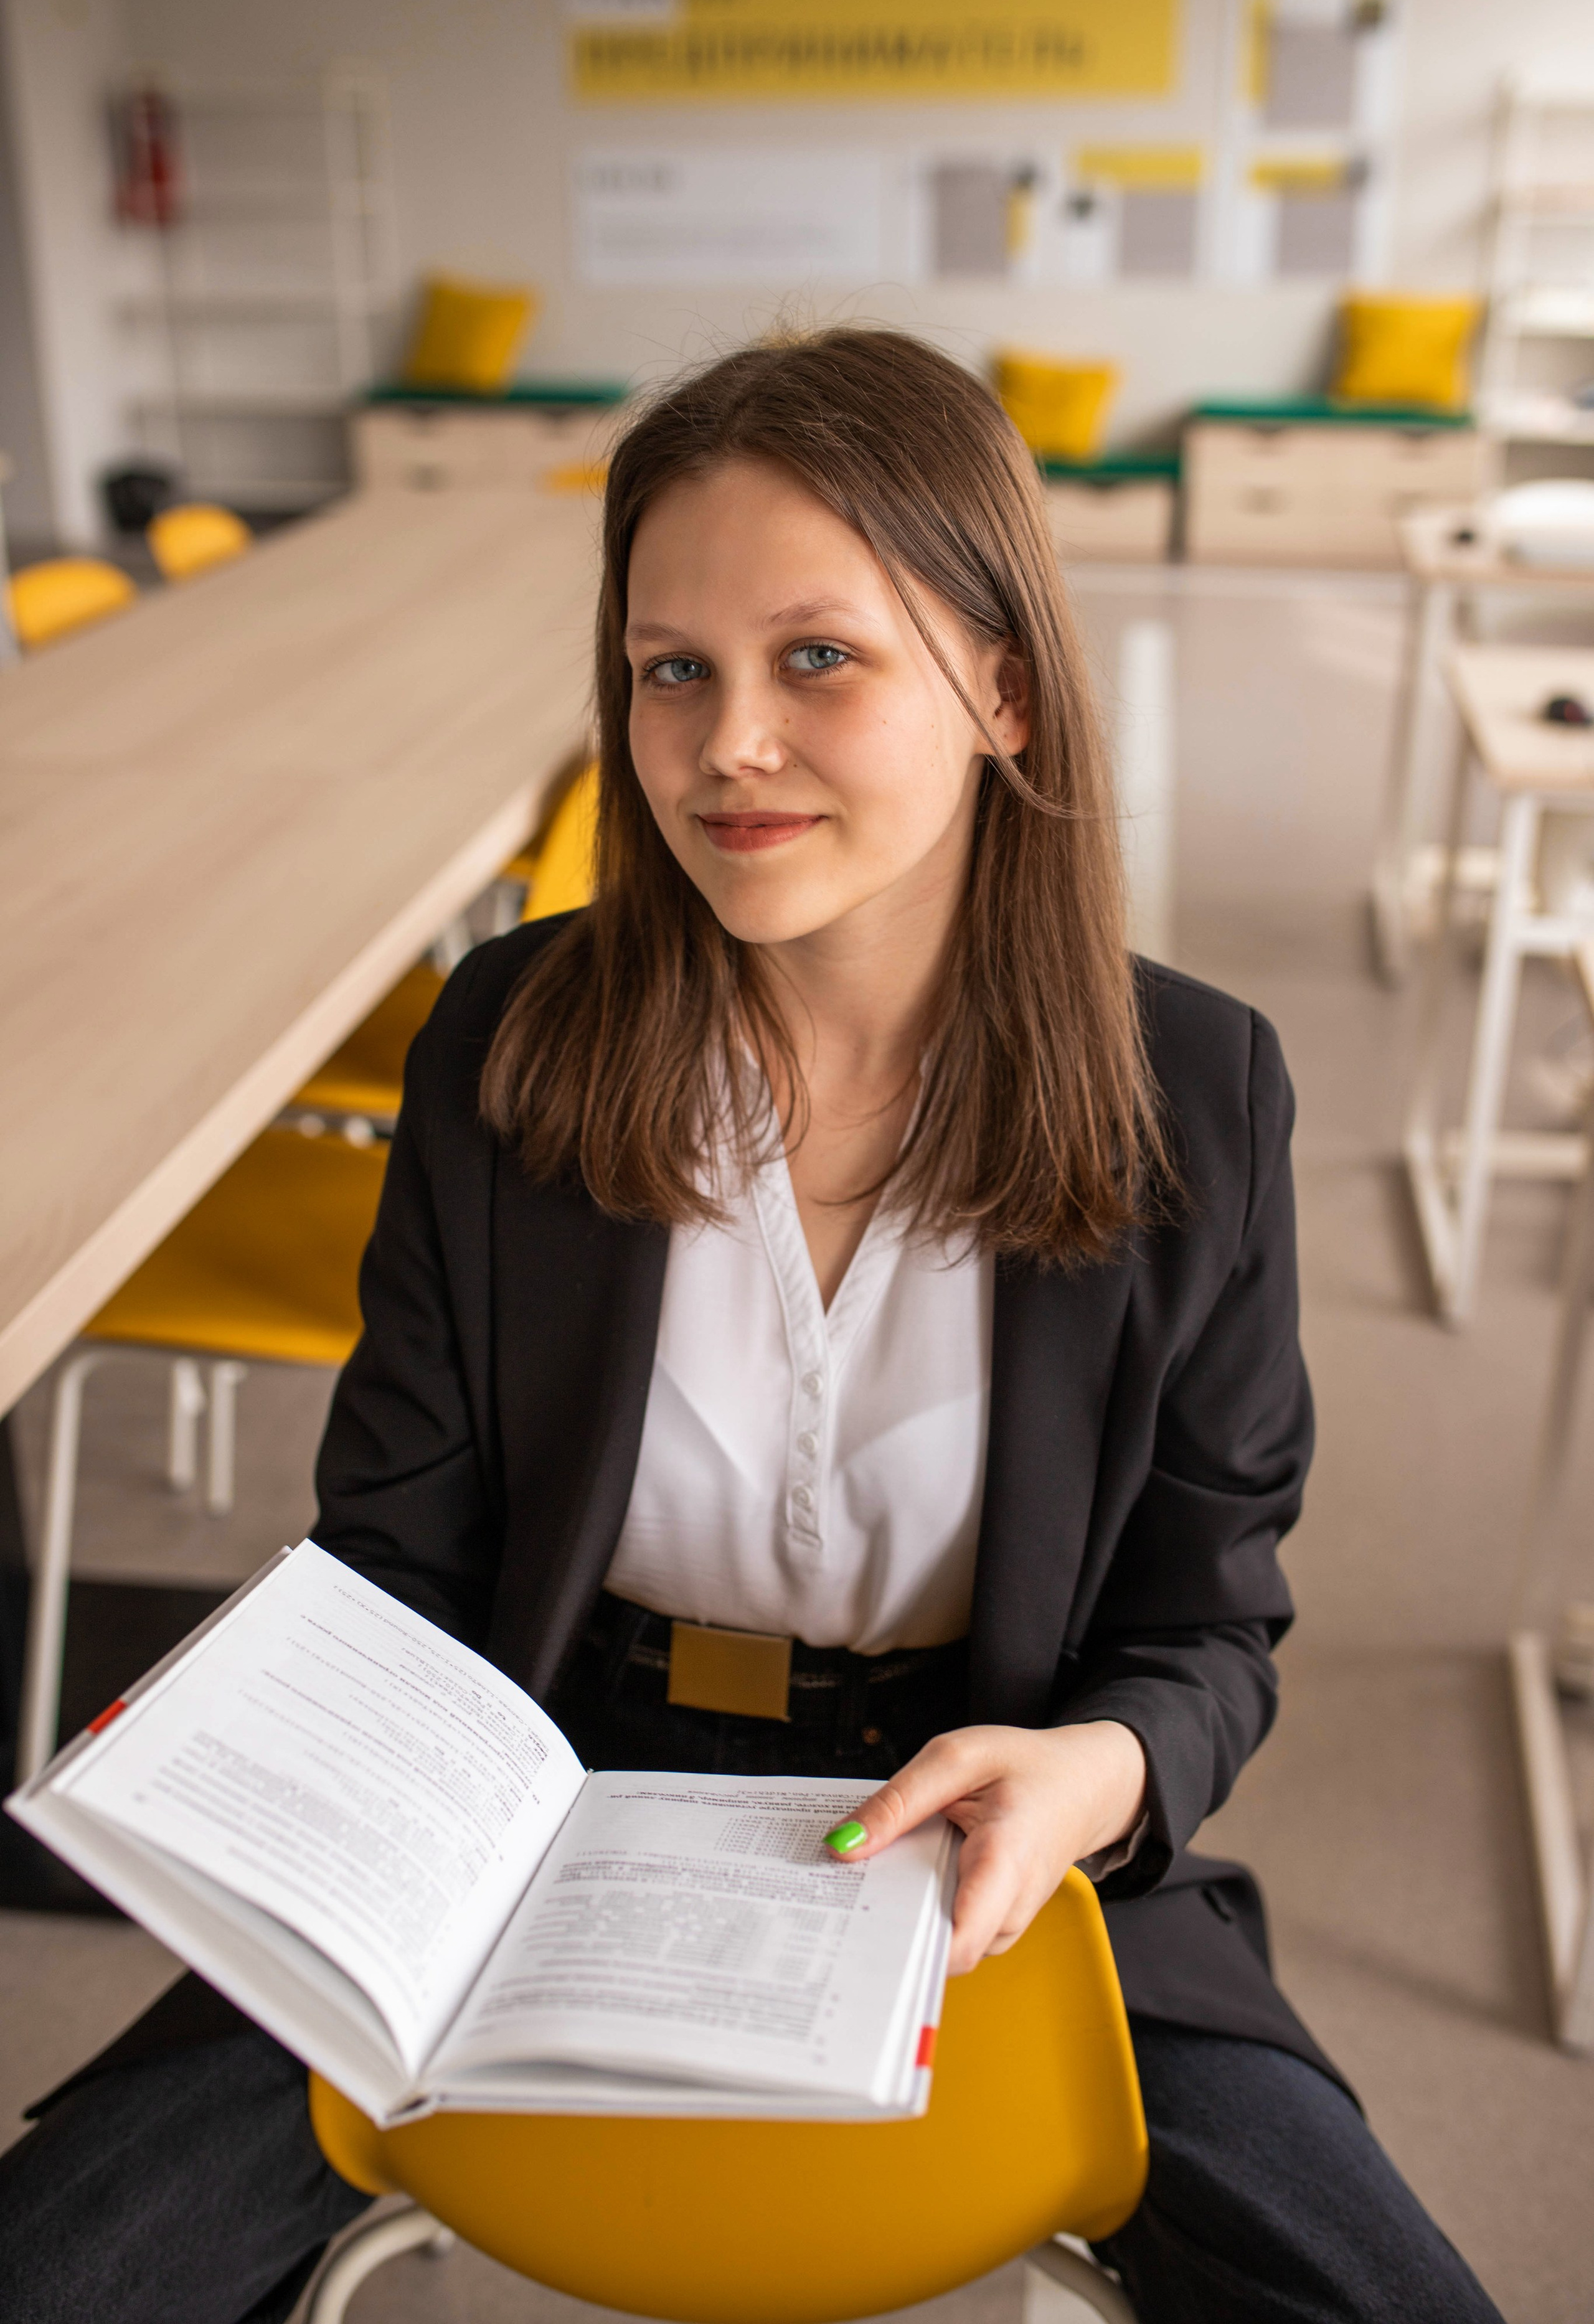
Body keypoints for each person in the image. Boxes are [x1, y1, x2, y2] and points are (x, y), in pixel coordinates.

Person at [0, 329, 1502, 2324]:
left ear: (1007, 691)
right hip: (534, 1782)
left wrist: (1102, 1777)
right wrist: (271, 1747)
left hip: (977, 1815)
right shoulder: (510, 1048)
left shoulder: (1194, 1096)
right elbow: (398, 1557)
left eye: (820, 659)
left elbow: (1207, 1629)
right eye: (669, 668)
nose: (725, 750)